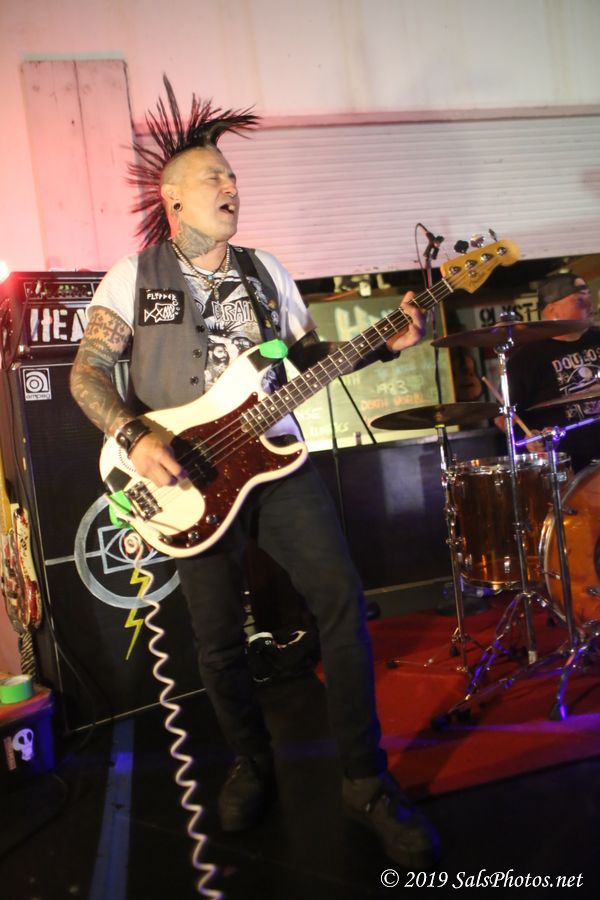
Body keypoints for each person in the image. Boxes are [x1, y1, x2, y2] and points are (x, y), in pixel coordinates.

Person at [70, 77, 438, 869]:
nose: (231, 186)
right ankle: (251, 764)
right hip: (187, 474)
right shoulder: (133, 277)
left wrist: (386, 343)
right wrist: (133, 435)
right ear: (174, 199)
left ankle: (364, 781)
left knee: (340, 598)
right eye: (214, 177)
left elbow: (304, 360)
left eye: (233, 177)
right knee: (216, 638)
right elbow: (87, 373)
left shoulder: (266, 271)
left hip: (275, 459)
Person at [503, 273, 599, 473]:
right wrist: (528, 437)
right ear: (552, 308)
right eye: (580, 300)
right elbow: (502, 415)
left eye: (590, 297)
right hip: (567, 467)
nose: (591, 305)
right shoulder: (526, 358)